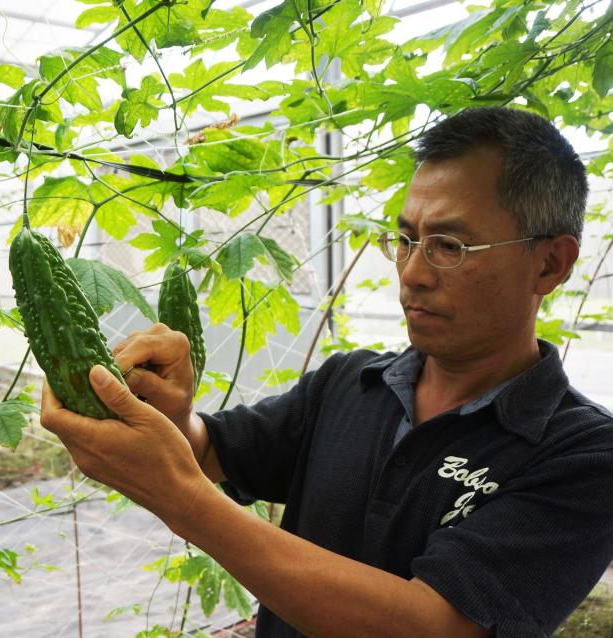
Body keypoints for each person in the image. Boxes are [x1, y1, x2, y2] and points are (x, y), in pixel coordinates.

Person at [40, 106, 613, 637]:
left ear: (550, 263)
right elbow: (214, 451)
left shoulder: (584, 455)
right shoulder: (349, 380)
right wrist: (171, 418)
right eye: (407, 239)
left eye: (450, 245)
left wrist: (180, 497)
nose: (412, 273)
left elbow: (430, 626)